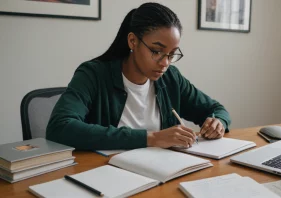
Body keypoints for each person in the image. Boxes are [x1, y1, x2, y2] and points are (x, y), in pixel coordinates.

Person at [46, 2, 231, 150]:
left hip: (160, 174)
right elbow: (60, 127)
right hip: (104, 175)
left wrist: (218, 122)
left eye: (172, 54)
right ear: (133, 41)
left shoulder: (171, 78)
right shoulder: (93, 75)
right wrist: (151, 138)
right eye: (157, 51)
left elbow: (216, 108)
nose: (165, 63)